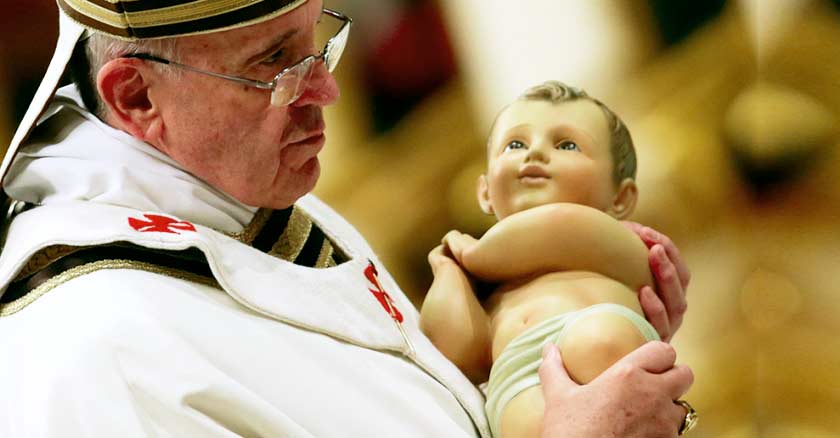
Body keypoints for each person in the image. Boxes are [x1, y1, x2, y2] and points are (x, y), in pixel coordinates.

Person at [0, 1, 693, 436]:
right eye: (274, 64)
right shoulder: (95, 359)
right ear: (136, 97)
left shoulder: (238, 196)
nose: (325, 90)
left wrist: (554, 340)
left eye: (319, 40)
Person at [420, 81, 696, 437]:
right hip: (514, 382)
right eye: (515, 144)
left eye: (567, 144)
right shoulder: (486, 280)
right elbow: (455, 350)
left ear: (620, 197)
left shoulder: (614, 237)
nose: (534, 153)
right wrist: (446, 272)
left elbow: (553, 228)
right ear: (485, 192)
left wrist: (472, 255)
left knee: (597, 343)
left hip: (598, 334)